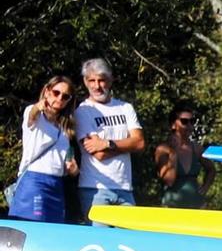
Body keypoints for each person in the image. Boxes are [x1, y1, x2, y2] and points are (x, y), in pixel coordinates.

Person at [74, 59, 144, 211]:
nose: (97, 86)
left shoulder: (125, 107)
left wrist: (107, 144)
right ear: (85, 82)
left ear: (110, 80)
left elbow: (139, 143)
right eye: (92, 80)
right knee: (98, 236)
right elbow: (98, 154)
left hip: (125, 188)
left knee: (130, 235)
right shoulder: (83, 111)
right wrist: (127, 144)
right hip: (95, 188)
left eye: (102, 80)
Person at [10, 74, 77, 222]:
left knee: (53, 231)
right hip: (34, 181)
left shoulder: (65, 127)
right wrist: (37, 107)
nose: (59, 98)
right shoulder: (35, 115)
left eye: (65, 96)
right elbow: (32, 115)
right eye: (56, 93)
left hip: (57, 184)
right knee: (32, 227)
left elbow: (67, 160)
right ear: (47, 91)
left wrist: (73, 169)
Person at [153, 102, 211, 209]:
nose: (189, 126)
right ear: (173, 125)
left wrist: (204, 188)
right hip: (172, 207)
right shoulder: (163, 149)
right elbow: (169, 180)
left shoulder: (196, 148)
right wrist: (173, 153)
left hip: (197, 205)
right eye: (184, 122)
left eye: (192, 122)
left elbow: (211, 170)